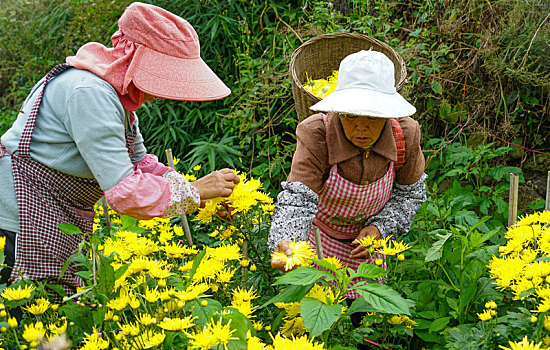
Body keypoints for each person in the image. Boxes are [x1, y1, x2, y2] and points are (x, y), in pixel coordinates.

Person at [0, 2, 240, 297]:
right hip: (21, 216)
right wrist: (193, 192)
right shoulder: (90, 93)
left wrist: (201, 195)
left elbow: (139, 164)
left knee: (58, 306)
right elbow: (124, 190)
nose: (162, 93)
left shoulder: (115, 97)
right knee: (28, 309)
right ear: (135, 60)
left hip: (56, 211)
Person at [269, 50, 427, 294]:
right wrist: (288, 244)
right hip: (318, 242)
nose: (360, 127)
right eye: (350, 115)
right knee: (320, 316)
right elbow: (297, 199)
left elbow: (410, 195)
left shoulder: (404, 134)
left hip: (369, 252)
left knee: (367, 319)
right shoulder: (317, 134)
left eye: (372, 117)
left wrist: (380, 228)